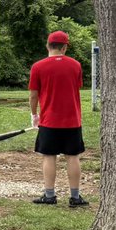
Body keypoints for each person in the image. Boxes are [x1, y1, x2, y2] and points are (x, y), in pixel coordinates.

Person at [29, 30, 87, 206]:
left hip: (49, 120)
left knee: (49, 156)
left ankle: (49, 195)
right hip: (72, 119)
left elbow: (33, 95)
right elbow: (76, 86)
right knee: (73, 156)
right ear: (64, 47)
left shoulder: (38, 67)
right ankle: (75, 197)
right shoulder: (76, 65)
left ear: (48, 45)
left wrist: (34, 115)